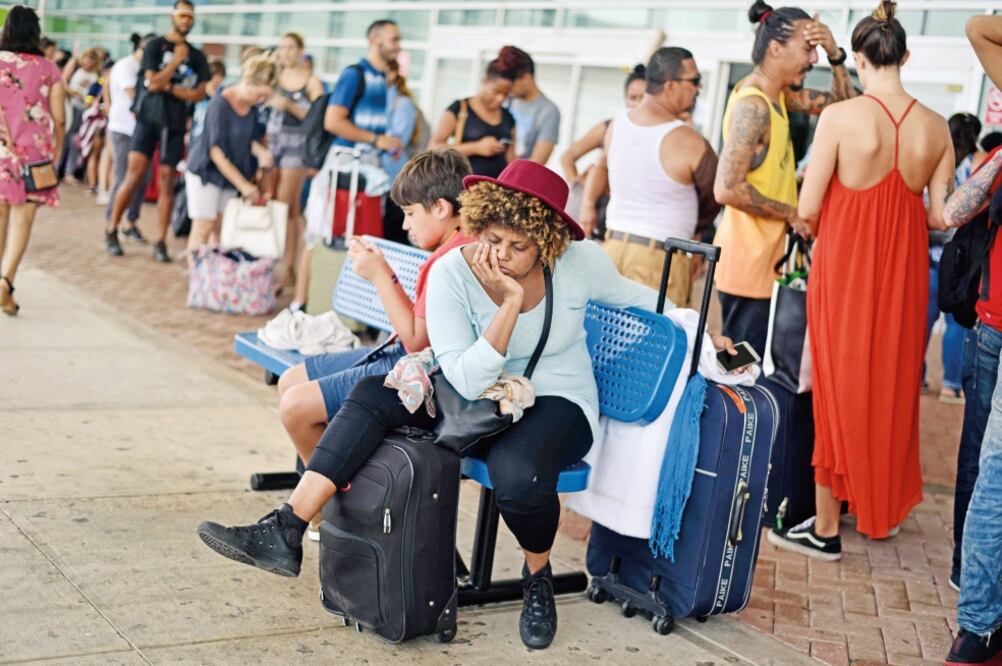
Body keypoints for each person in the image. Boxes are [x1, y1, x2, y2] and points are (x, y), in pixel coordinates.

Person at [197, 158, 738, 650]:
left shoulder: (581, 263)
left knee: (517, 475)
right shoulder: (457, 272)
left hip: (557, 398)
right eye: (494, 238)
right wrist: (507, 305)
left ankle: (537, 579)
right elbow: (466, 375)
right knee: (371, 394)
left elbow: (647, 299)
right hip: (474, 389)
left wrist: (709, 332)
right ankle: (287, 528)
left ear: (549, 243)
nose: (500, 254)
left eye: (518, 246)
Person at [767, 1, 954, 560]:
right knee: (892, 383)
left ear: (861, 57)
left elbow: (807, 205)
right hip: (905, 272)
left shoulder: (841, 118)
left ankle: (825, 528)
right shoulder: (936, 126)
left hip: (845, 268)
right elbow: (941, 216)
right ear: (906, 54)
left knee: (835, 383)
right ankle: (882, 511)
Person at [276, 148, 474, 541]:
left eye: (410, 213)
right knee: (290, 381)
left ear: (440, 208)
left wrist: (381, 276)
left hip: (415, 370)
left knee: (296, 407)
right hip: (404, 356)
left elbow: (418, 340)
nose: (404, 225)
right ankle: (323, 506)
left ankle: (327, 515)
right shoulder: (449, 249)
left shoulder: (450, 259)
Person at [712, 1, 856, 358]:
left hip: (768, 266)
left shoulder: (780, 97)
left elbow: (846, 106)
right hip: (747, 269)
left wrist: (835, 53)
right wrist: (791, 212)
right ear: (775, 48)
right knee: (743, 375)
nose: (813, 59)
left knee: (763, 373)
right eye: (807, 49)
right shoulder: (754, 105)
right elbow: (726, 188)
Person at [943, 14, 1002, 665]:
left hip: (993, 322)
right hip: (991, 323)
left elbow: (952, 210)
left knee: (988, 471)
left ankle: (978, 620)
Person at [289, 19, 403, 312]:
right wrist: (376, 139)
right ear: (375, 39)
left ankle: (343, 307)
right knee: (321, 234)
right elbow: (333, 121)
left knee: (359, 240)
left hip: (367, 170)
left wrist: (383, 143)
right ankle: (299, 303)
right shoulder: (355, 75)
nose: (398, 45)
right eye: (394, 39)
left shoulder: (383, 79)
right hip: (342, 168)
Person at [601, 48, 719, 307]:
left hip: (612, 250)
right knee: (654, 345)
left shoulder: (615, 125)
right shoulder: (686, 139)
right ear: (671, 86)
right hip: (657, 259)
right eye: (695, 81)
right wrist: (697, 232)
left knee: (604, 341)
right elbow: (715, 195)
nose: (699, 88)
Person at [104, 0, 209, 262]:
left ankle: (161, 240)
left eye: (190, 16)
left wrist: (171, 88)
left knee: (166, 181)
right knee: (134, 175)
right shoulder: (155, 45)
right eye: (182, 14)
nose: (186, 20)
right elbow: (151, 83)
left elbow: (198, 93)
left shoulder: (197, 56)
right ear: (173, 16)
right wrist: (175, 64)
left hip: (174, 125)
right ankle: (112, 228)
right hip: (148, 120)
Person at [0, 7, 66, 316]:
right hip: (34, 156)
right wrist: (58, 153)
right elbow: (60, 119)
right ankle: (6, 281)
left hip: (1, 151)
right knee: (22, 221)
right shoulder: (49, 69)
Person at [184, 55, 276, 257]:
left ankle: (216, 279)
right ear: (249, 82)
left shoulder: (251, 109)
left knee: (222, 230)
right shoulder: (220, 105)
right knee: (203, 226)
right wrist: (244, 185)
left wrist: (260, 152)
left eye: (265, 97)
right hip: (206, 173)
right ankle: (198, 282)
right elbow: (215, 152)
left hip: (229, 177)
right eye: (259, 95)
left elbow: (246, 140)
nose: (261, 101)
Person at [925, 112, 984, 405]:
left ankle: (917, 376)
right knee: (957, 322)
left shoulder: (935, 159)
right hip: (960, 258)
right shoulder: (977, 166)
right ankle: (950, 384)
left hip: (929, 252)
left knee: (923, 321)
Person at [266, 32, 324, 293]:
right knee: (271, 202)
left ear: (301, 50)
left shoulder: (312, 82)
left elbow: (316, 119)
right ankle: (272, 263)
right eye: (282, 48)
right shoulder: (274, 76)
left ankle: (288, 267)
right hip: (271, 143)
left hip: (296, 146)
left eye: (290, 48)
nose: (285, 53)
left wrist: (288, 105)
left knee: (286, 204)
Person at [563, 64, 645, 237]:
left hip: (626, 209)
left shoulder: (655, 134)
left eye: (643, 97)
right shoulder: (610, 127)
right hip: (593, 203)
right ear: (625, 99)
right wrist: (577, 188)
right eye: (633, 97)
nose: (637, 103)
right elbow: (567, 157)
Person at [428, 48, 518, 178]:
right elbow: (433, 148)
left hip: (496, 192)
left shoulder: (509, 117)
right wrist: (476, 147)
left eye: (506, 94)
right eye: (496, 92)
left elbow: (511, 159)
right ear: (485, 81)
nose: (500, 99)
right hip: (463, 189)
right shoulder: (459, 108)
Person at [103, 34, 155, 241]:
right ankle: (111, 223)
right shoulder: (127, 66)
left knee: (142, 179)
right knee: (124, 177)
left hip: (141, 131)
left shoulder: (146, 68)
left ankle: (130, 222)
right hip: (123, 129)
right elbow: (135, 96)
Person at [380, 58, 420, 244]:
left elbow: (395, 144)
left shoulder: (402, 104)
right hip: (378, 180)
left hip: (391, 179)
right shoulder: (378, 101)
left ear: (393, 74)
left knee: (392, 232)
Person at [505, 45, 560, 165]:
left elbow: (536, 164)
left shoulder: (549, 111)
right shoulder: (505, 99)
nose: (507, 90)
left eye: (511, 85)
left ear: (526, 77)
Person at [57, 47, 99, 185]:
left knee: (77, 140)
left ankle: (70, 171)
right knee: (65, 137)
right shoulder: (74, 65)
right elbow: (62, 81)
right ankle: (57, 168)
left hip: (85, 109)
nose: (88, 64)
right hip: (71, 106)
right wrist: (72, 92)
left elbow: (96, 92)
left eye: (91, 62)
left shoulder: (96, 74)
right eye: (86, 61)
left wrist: (89, 99)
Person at [191, 60, 225, 139]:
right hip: (197, 132)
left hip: (215, 134)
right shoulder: (199, 91)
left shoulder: (224, 94)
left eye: (220, 76)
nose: (217, 79)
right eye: (214, 76)